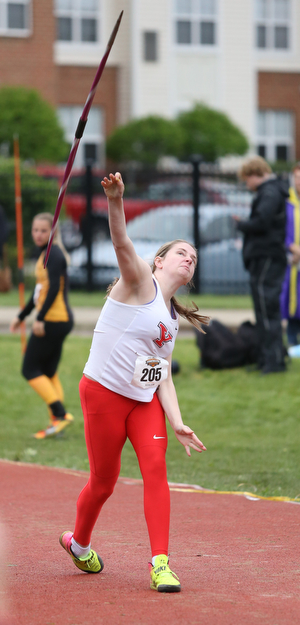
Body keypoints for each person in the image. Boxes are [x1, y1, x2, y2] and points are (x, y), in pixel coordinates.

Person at [59, 172, 209, 593]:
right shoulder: (139, 280)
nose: (189, 258)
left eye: (194, 257)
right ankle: (79, 542)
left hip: (142, 403)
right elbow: (122, 242)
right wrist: (115, 200)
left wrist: (177, 420)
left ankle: (160, 563)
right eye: (182, 252)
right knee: (103, 482)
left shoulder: (172, 320)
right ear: (159, 260)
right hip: (103, 394)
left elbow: (161, 373)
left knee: (156, 469)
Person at [10, 212, 74, 439]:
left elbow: (55, 288)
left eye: (43, 230)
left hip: (54, 321)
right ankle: (56, 423)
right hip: (56, 320)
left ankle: (60, 414)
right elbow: (39, 292)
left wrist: (40, 318)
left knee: (29, 369)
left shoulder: (53, 255)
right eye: (35, 230)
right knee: (48, 371)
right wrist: (22, 315)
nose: (38, 234)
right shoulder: (44, 255)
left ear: (52, 232)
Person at [233, 156, 288, 374]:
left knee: (266, 311)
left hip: (267, 257)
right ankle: (270, 358)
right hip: (268, 257)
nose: (247, 185)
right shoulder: (273, 192)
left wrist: (241, 224)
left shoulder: (270, 192)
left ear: (254, 174)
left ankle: (273, 361)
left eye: (247, 179)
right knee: (266, 310)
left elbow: (262, 222)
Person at [280, 163, 300, 345]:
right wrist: (291, 247)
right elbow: (281, 231)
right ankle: (293, 343)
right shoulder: (287, 203)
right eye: (297, 177)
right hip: (292, 262)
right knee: (293, 303)